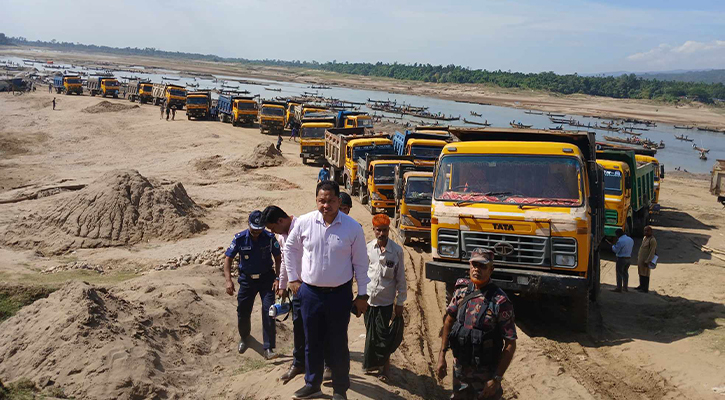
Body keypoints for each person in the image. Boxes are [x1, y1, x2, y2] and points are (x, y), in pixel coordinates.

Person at [284, 180, 370, 400]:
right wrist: (293, 278)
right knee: (312, 341)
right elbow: (290, 248)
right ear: (316, 200)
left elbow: (361, 263)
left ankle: (340, 389)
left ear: (338, 201)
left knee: (338, 342)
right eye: (322, 200)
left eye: (331, 200)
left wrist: (362, 294)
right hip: (310, 294)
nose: (326, 205)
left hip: (339, 295)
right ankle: (312, 384)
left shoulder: (352, 227)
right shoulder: (304, 223)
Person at [261, 205, 335, 384]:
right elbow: (287, 261)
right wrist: (283, 283)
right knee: (299, 325)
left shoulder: (304, 226)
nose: (272, 232)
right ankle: (299, 363)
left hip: (314, 286)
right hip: (297, 289)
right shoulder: (281, 236)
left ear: (280, 221)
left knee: (320, 327)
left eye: (272, 227)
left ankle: (327, 365)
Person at [437, 248, 517, 400]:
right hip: (460, 371)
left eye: (482, 266)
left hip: (486, 375)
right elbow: (448, 321)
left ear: (491, 269)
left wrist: (497, 379)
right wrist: (442, 356)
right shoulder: (461, 293)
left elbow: (510, 343)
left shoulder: (500, 301)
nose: (476, 269)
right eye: (474, 264)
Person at [223, 210, 282, 360]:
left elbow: (278, 258)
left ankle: (269, 348)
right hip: (247, 280)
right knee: (243, 311)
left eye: (259, 229)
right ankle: (245, 337)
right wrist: (228, 280)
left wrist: (277, 278)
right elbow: (228, 259)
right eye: (254, 229)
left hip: (266, 279)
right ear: (248, 225)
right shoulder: (240, 238)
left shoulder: (269, 238)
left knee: (269, 311)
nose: (256, 232)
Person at [363, 214, 406, 382]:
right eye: (378, 230)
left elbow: (401, 279)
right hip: (368, 301)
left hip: (386, 303)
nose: (382, 233)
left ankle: (385, 370)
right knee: (370, 334)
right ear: (373, 230)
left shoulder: (397, 251)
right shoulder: (368, 249)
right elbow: (361, 273)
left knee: (383, 337)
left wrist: (400, 302)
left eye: (385, 230)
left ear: (389, 230)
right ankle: (372, 364)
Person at [609, 229, 634, 293]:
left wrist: (613, 246)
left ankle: (619, 288)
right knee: (625, 273)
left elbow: (616, 250)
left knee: (619, 273)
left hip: (621, 259)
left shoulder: (620, 241)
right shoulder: (630, 240)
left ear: (618, 234)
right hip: (628, 258)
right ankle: (625, 287)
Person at [636, 226, 657, 293]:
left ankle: (645, 288)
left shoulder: (652, 240)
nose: (645, 232)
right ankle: (641, 286)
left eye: (647, 231)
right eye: (645, 231)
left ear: (651, 232)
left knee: (646, 274)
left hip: (646, 260)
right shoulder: (645, 238)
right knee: (640, 273)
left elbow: (652, 252)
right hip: (641, 260)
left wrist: (648, 261)